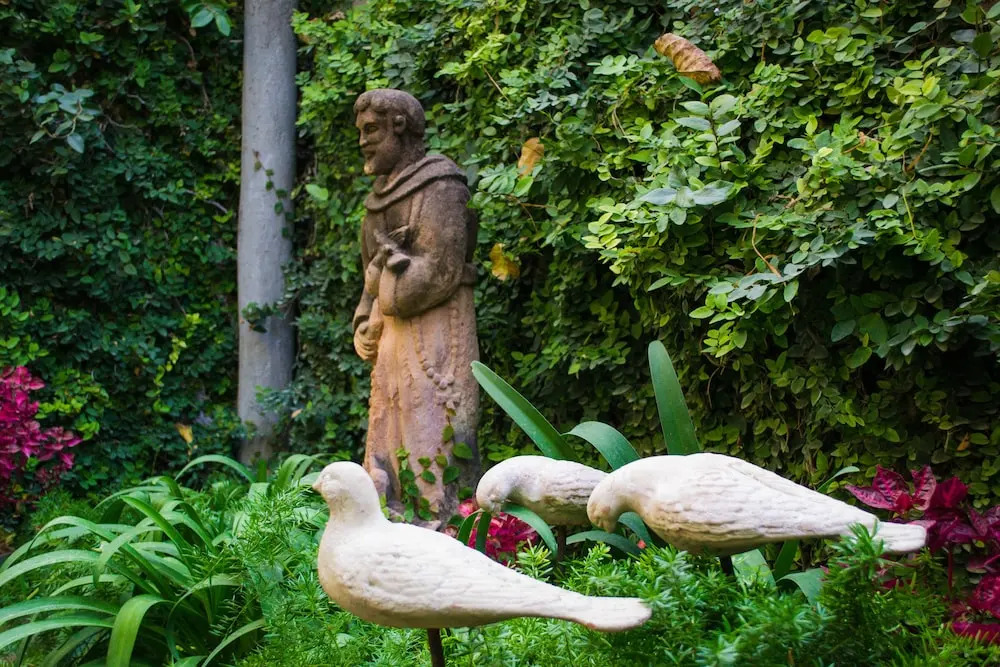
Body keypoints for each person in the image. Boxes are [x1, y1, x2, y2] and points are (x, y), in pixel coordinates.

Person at [351, 88, 480, 526]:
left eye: (372, 130)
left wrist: (386, 288)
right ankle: (390, 521)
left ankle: (442, 524)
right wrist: (365, 319)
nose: (364, 142)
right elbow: (370, 276)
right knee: (388, 433)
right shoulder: (377, 203)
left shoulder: (441, 187)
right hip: (390, 342)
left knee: (432, 432)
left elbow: (440, 270)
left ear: (400, 127)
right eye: (361, 132)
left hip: (436, 336)